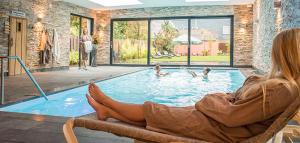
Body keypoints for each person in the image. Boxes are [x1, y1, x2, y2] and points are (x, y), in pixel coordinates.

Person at [86, 28, 300, 142]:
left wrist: (208, 100)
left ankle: (108, 102)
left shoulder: (282, 90)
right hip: (217, 124)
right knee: (162, 115)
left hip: (220, 130)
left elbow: (231, 116)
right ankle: (107, 112)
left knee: (154, 110)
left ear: (282, 54)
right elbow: (237, 108)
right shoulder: (282, 86)